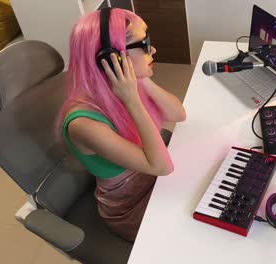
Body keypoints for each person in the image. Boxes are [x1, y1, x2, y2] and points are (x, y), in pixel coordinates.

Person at [55, 8, 186, 242]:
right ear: (110, 59)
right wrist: (133, 101)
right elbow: (161, 167)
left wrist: (141, 80)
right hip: (130, 206)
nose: (153, 50)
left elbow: (178, 114)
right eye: (144, 44)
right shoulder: (83, 123)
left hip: (154, 180)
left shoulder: (121, 86)